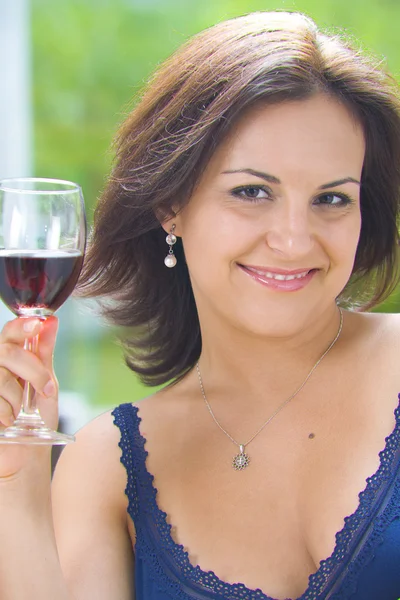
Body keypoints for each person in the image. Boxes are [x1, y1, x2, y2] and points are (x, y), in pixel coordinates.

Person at [0, 10, 400, 600]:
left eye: (332, 198)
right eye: (252, 191)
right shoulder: (107, 466)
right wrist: (17, 490)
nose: (294, 239)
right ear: (171, 203)